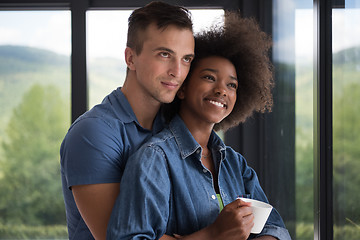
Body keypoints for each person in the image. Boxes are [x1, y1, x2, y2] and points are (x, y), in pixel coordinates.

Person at [106, 11, 292, 240]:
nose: (222, 90)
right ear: (182, 87)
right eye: (209, 78)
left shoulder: (235, 164)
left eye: (232, 85)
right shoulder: (154, 159)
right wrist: (214, 234)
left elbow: (275, 229)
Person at [60, 2, 195, 240]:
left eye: (186, 59)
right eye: (165, 54)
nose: (177, 71)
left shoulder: (174, 126)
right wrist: (217, 233)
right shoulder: (93, 134)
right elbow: (123, 236)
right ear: (130, 58)